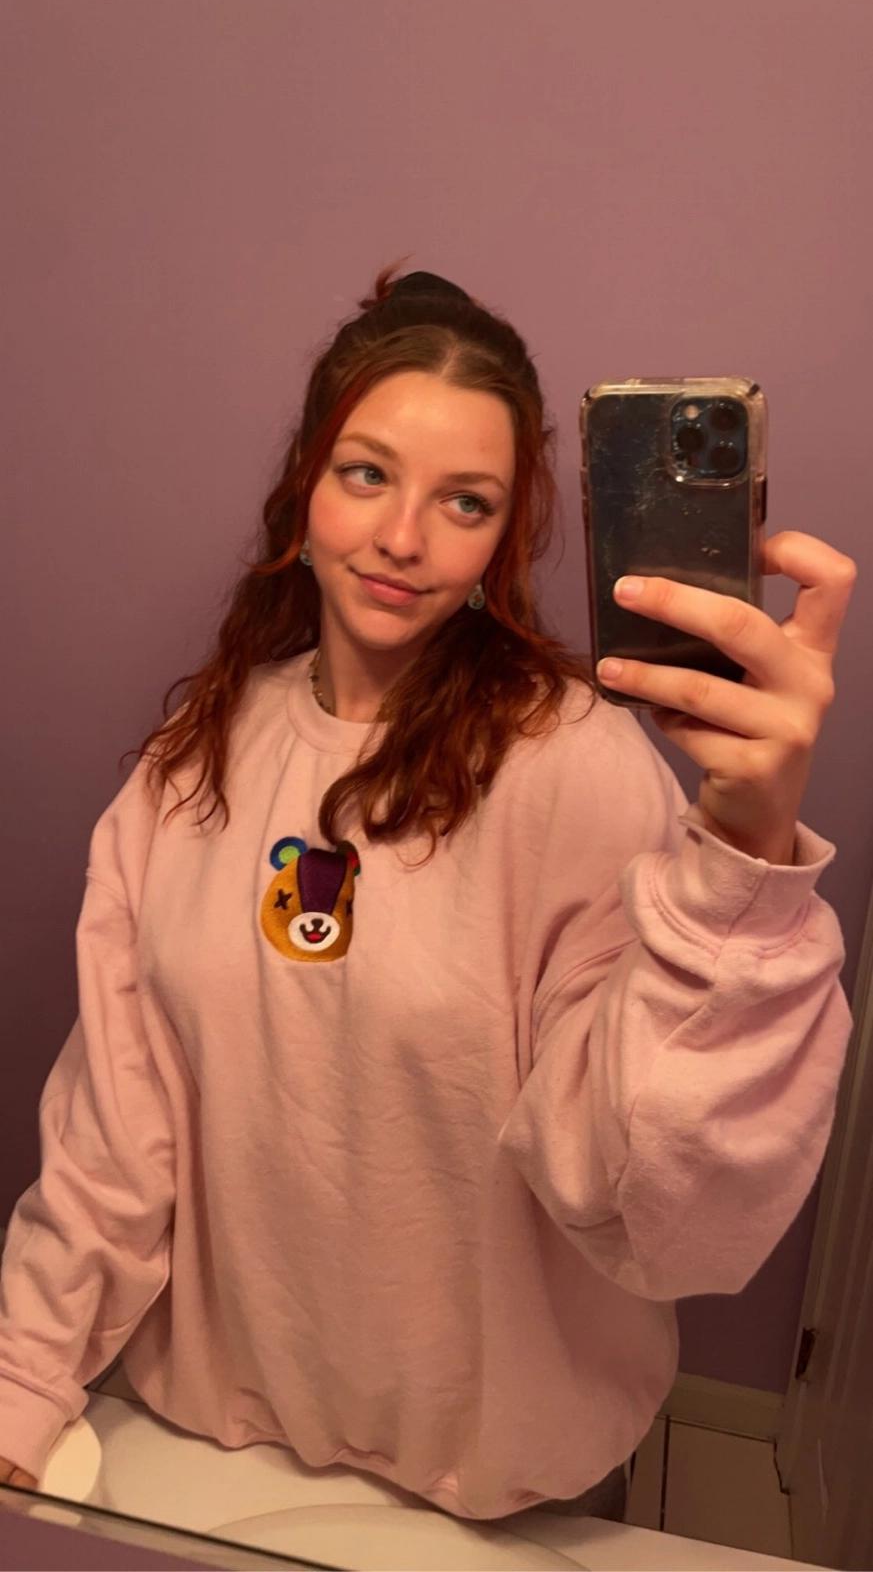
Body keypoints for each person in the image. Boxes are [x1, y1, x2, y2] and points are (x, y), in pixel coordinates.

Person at [0, 261, 857, 1523]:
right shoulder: (196, 758)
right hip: (215, 1441)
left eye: (465, 501)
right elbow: (117, 1128)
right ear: (304, 486)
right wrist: (23, 1379)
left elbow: (652, 1203)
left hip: (499, 1477)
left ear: (503, 539)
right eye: (367, 474)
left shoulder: (570, 765)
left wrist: (745, 847)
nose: (404, 538)